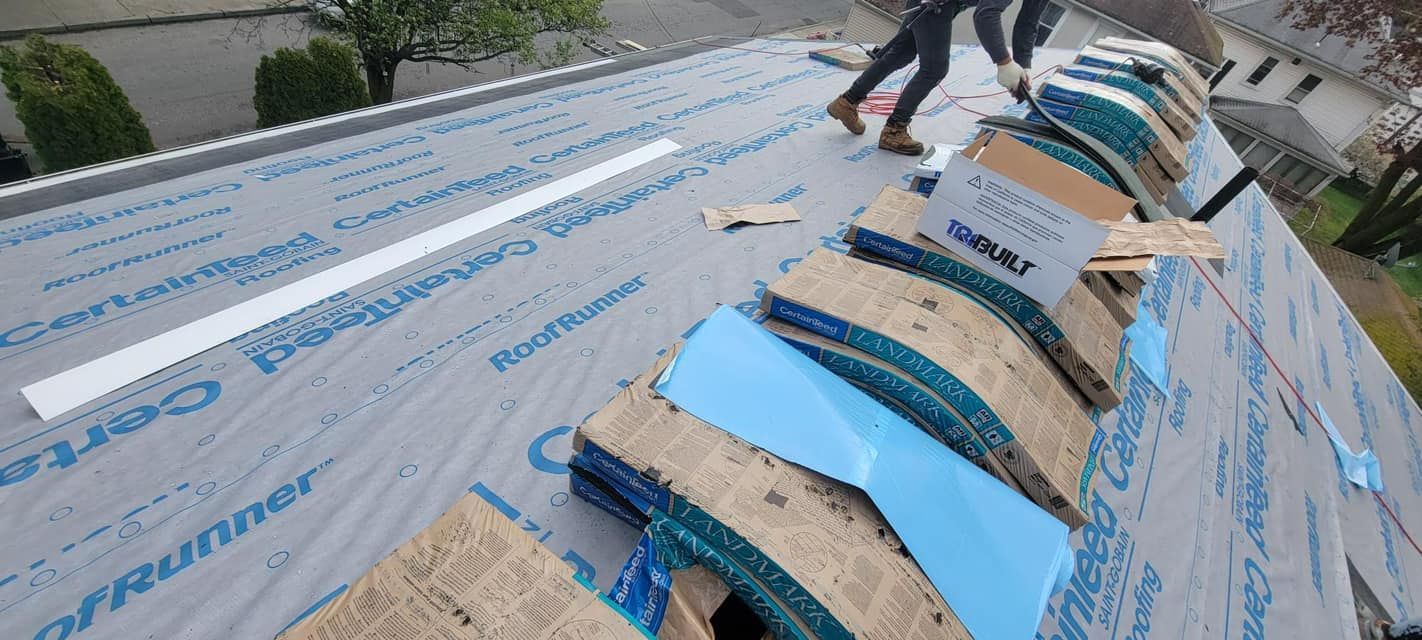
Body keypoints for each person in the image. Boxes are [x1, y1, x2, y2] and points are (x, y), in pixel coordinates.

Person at [826, 0, 1050, 155]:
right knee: (934, 68)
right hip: (936, 5)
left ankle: (846, 102)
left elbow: (1028, 23)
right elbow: (985, 15)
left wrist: (1023, 66)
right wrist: (1003, 62)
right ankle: (894, 130)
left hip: (944, 4)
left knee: (901, 54)